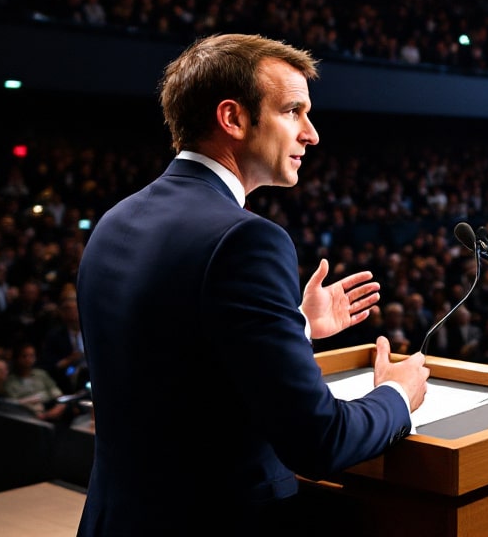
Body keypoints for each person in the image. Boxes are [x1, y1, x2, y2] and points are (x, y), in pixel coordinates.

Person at [75, 33, 430, 536]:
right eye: (293, 111)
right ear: (234, 119)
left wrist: (298, 323)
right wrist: (397, 395)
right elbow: (319, 441)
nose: (311, 134)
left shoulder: (115, 220)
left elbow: (179, 369)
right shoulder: (247, 239)